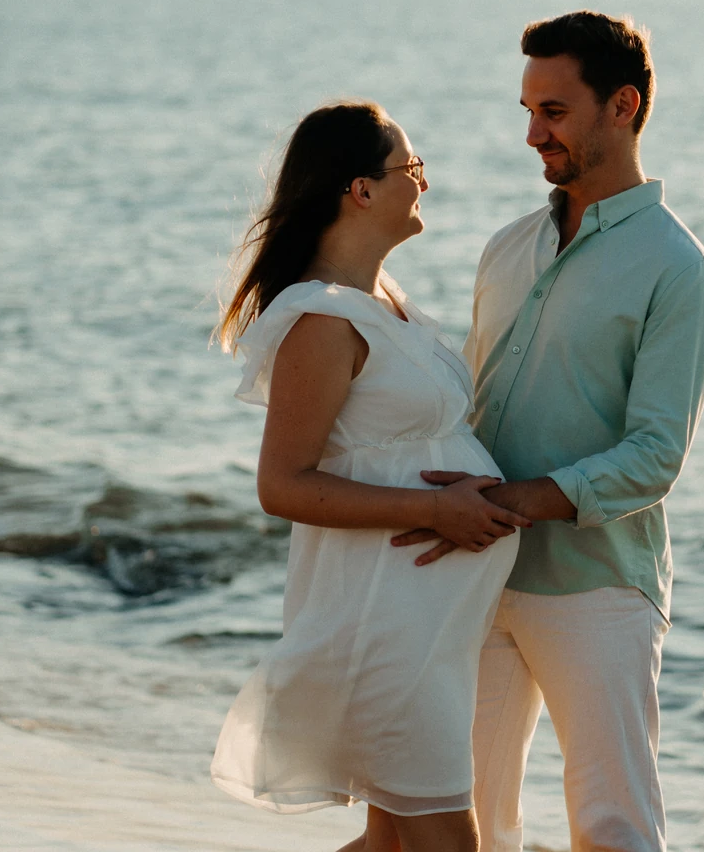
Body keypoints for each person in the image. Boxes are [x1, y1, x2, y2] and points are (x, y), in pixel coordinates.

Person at [392, 13, 704, 852]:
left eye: (554, 112)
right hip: (477, 575)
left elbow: (655, 457)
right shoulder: (508, 247)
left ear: (623, 105)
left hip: (598, 588)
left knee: (613, 829)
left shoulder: (678, 269)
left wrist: (510, 502)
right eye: (528, 112)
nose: (534, 134)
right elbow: (467, 407)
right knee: (463, 823)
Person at [209, 101, 530, 852]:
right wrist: (436, 509)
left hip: (425, 631)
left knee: (391, 844)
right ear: (361, 189)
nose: (424, 182)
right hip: (383, 628)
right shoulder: (324, 321)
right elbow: (282, 484)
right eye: (411, 167)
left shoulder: (384, 303)